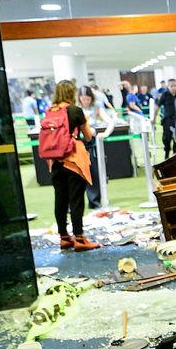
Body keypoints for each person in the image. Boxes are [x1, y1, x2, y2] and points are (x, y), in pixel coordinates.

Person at [43, 82, 99, 251]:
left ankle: (64, 238)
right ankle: (80, 239)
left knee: (60, 199)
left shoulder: (50, 112)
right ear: (72, 93)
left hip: (55, 161)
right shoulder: (75, 111)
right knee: (76, 200)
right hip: (73, 160)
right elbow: (88, 136)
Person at [78, 85, 114, 209]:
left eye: (88, 99)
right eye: (83, 99)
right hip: (77, 143)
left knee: (93, 171)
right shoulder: (76, 108)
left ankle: (94, 201)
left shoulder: (96, 107)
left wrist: (105, 133)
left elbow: (110, 122)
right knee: (76, 174)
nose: (86, 101)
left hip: (91, 143)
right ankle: (72, 205)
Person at [154, 78, 176, 156]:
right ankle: (167, 153)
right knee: (167, 138)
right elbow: (157, 107)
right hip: (167, 120)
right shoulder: (164, 95)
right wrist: (153, 118)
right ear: (168, 86)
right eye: (171, 86)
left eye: (175, 85)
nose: (173, 87)